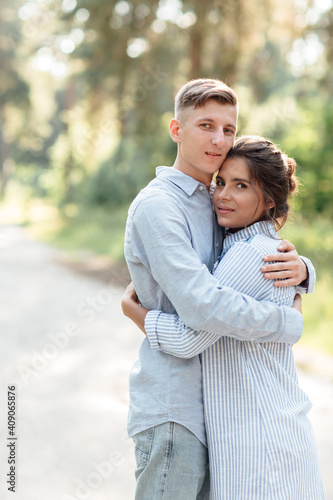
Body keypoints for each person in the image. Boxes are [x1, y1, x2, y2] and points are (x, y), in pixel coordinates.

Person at [122, 78, 315, 499]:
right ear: (177, 130)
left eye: (228, 129)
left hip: (219, 413)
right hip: (176, 409)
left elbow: (252, 252)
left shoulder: (211, 200)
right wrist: (287, 321)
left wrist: (302, 268)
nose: (219, 139)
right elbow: (204, 306)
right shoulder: (161, 206)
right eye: (206, 126)